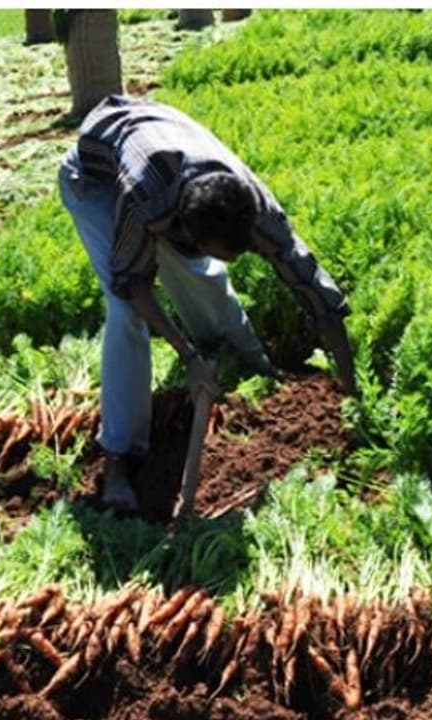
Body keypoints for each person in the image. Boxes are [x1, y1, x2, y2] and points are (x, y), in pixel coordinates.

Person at [59, 94, 357, 513]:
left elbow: (314, 288)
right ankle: (118, 459)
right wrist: (188, 356)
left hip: (159, 144)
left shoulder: (254, 208)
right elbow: (134, 285)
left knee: (208, 278)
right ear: (186, 233)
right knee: (125, 313)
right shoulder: (147, 203)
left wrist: (351, 388)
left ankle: (251, 371)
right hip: (95, 180)